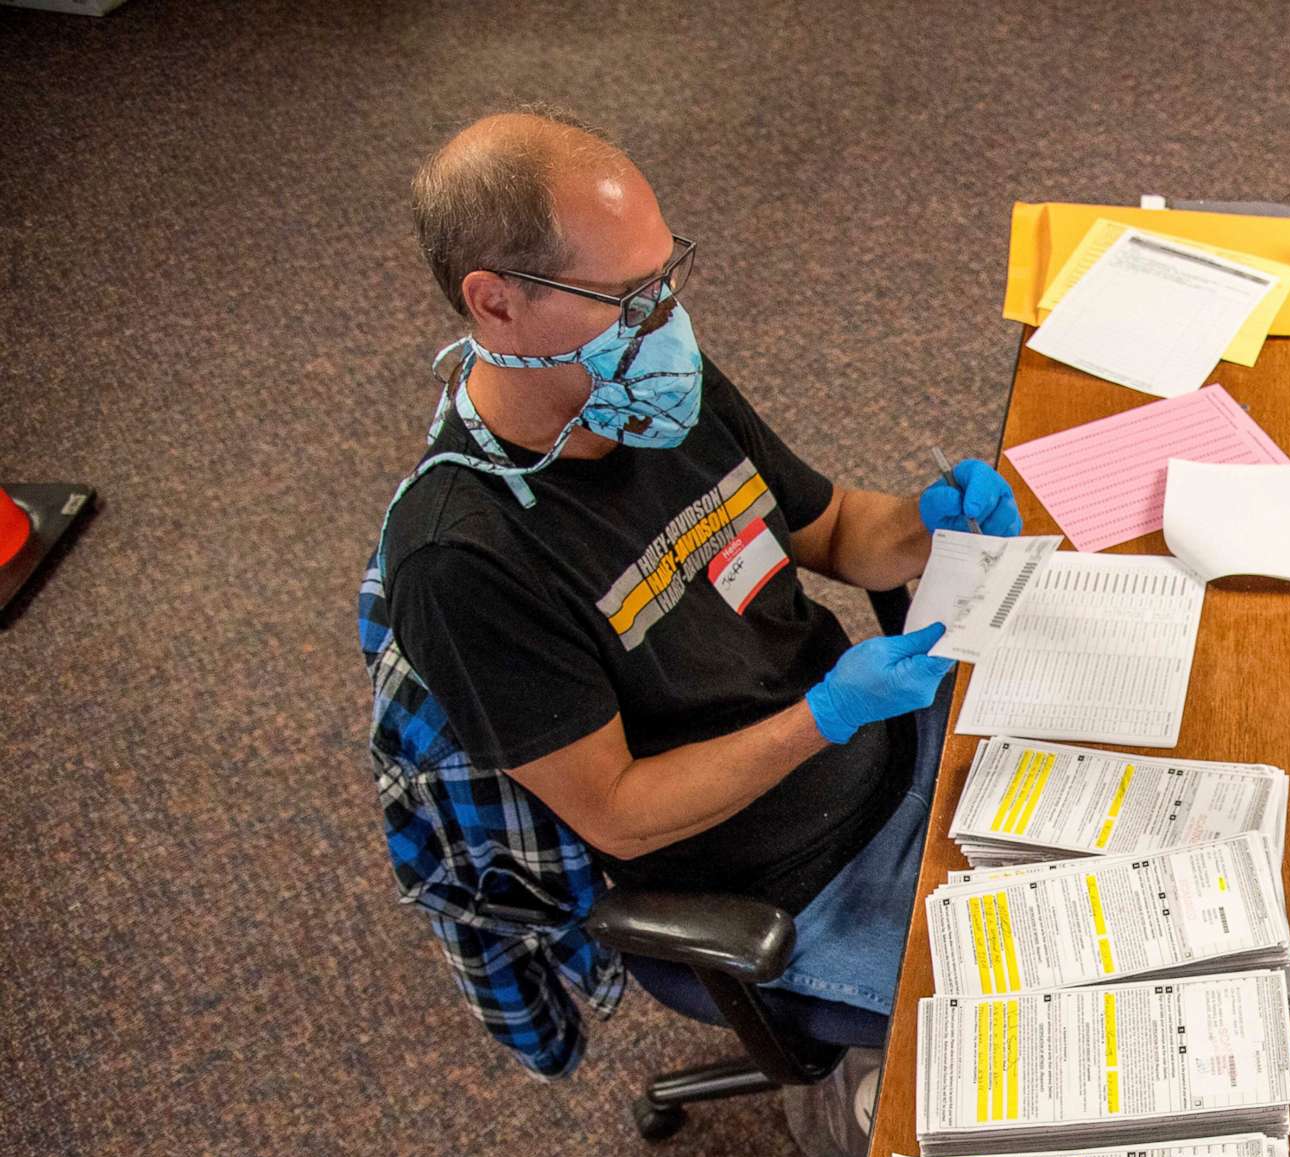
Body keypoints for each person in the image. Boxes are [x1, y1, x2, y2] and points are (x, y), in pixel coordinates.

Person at [378, 109, 1018, 1030]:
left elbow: (834, 528)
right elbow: (620, 813)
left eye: (668, 275)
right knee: (1072, 1026)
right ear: (495, 301)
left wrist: (924, 523)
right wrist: (823, 716)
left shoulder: (652, 388)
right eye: (629, 295)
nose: (668, 320)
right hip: (789, 884)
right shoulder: (463, 559)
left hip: (900, 744)